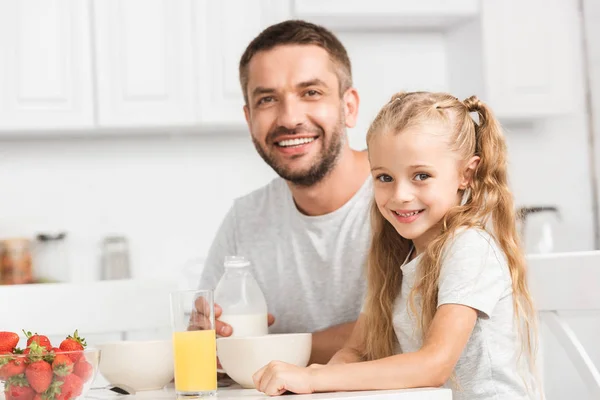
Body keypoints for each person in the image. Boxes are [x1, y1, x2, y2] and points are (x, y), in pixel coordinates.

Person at [252, 92, 544, 400]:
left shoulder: (468, 248)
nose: (400, 194)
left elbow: (433, 365)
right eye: (384, 177)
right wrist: (320, 377)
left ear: (466, 175)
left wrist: (315, 378)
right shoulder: (395, 256)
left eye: (421, 176)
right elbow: (355, 350)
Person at [198, 20, 372, 364]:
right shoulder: (244, 219)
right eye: (268, 99)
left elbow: (403, 332)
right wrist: (205, 336)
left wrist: (263, 347)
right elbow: (208, 346)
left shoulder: (406, 198)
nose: (290, 118)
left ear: (348, 107)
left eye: (311, 92)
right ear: (249, 119)